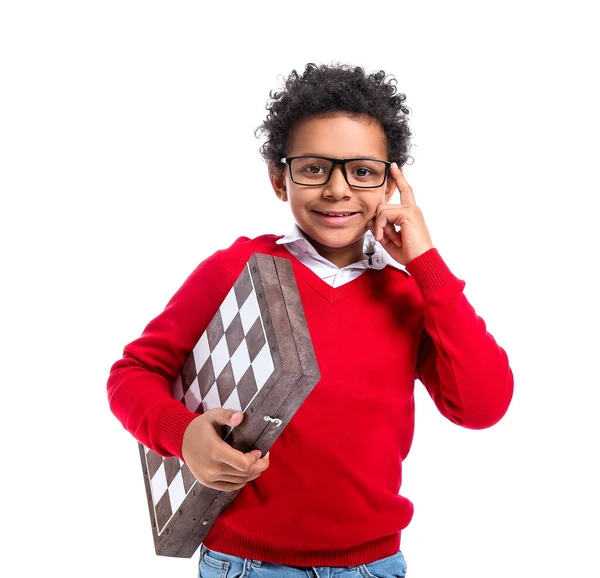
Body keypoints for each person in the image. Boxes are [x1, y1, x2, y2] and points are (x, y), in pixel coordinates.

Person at [106, 62, 514, 577]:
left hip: (375, 565)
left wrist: (426, 264)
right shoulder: (236, 269)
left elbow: (482, 405)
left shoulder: (410, 293)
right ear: (280, 179)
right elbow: (133, 374)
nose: (339, 189)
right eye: (314, 168)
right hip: (245, 564)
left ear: (391, 184)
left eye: (363, 171)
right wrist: (184, 434)